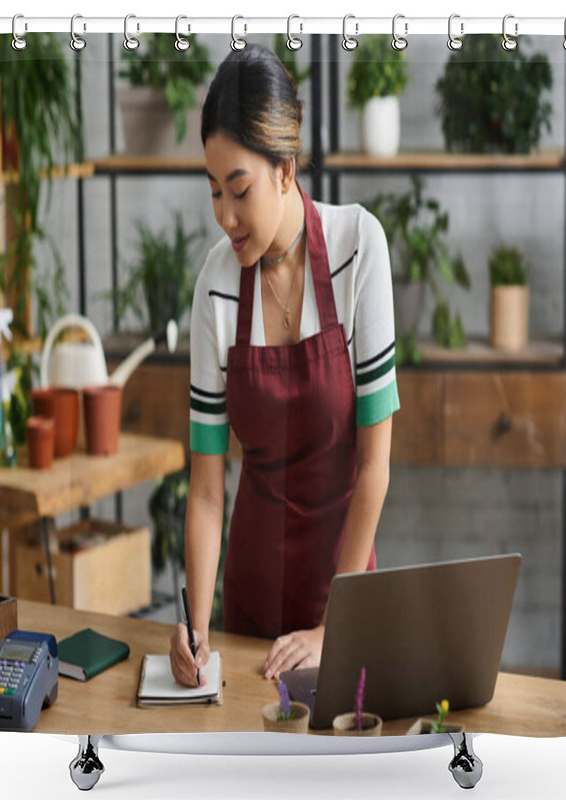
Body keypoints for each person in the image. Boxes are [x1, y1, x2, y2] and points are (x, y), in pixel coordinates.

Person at [169, 43, 400, 687]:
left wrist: (334, 627)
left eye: (238, 190)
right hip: (248, 610)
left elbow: (375, 465)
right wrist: (195, 624)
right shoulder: (215, 284)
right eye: (214, 192)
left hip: (345, 599)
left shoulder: (360, 247)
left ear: (285, 168)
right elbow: (209, 489)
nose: (225, 216)